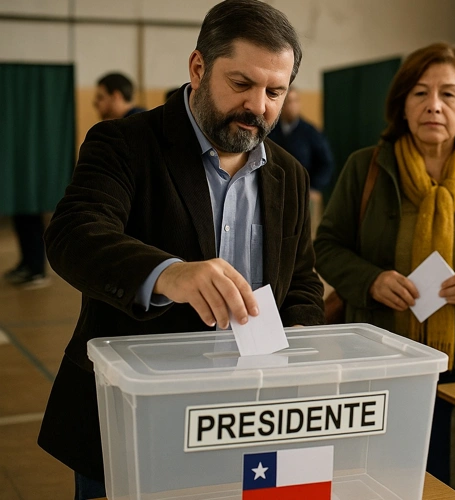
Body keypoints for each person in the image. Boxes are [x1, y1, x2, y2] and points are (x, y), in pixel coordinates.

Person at [37, 2, 324, 499]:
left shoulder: (288, 174)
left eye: (275, 92)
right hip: (135, 414)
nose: (259, 106)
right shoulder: (124, 143)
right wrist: (169, 274)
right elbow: (74, 234)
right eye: (242, 84)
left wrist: (298, 336)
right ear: (198, 67)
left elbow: (299, 282)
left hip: (248, 419)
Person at [313, 42, 455, 498]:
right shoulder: (366, 167)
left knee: (453, 477)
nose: (433, 105)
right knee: (374, 475)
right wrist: (371, 280)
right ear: (401, 105)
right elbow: (327, 247)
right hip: (381, 353)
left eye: (448, 94)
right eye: (420, 93)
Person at [268, 87, 335, 192]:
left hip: (302, 191)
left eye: (295, 101)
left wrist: (314, 188)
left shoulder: (311, 132)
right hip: (274, 189)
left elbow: (326, 163)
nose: (292, 106)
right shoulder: (270, 130)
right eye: (288, 101)